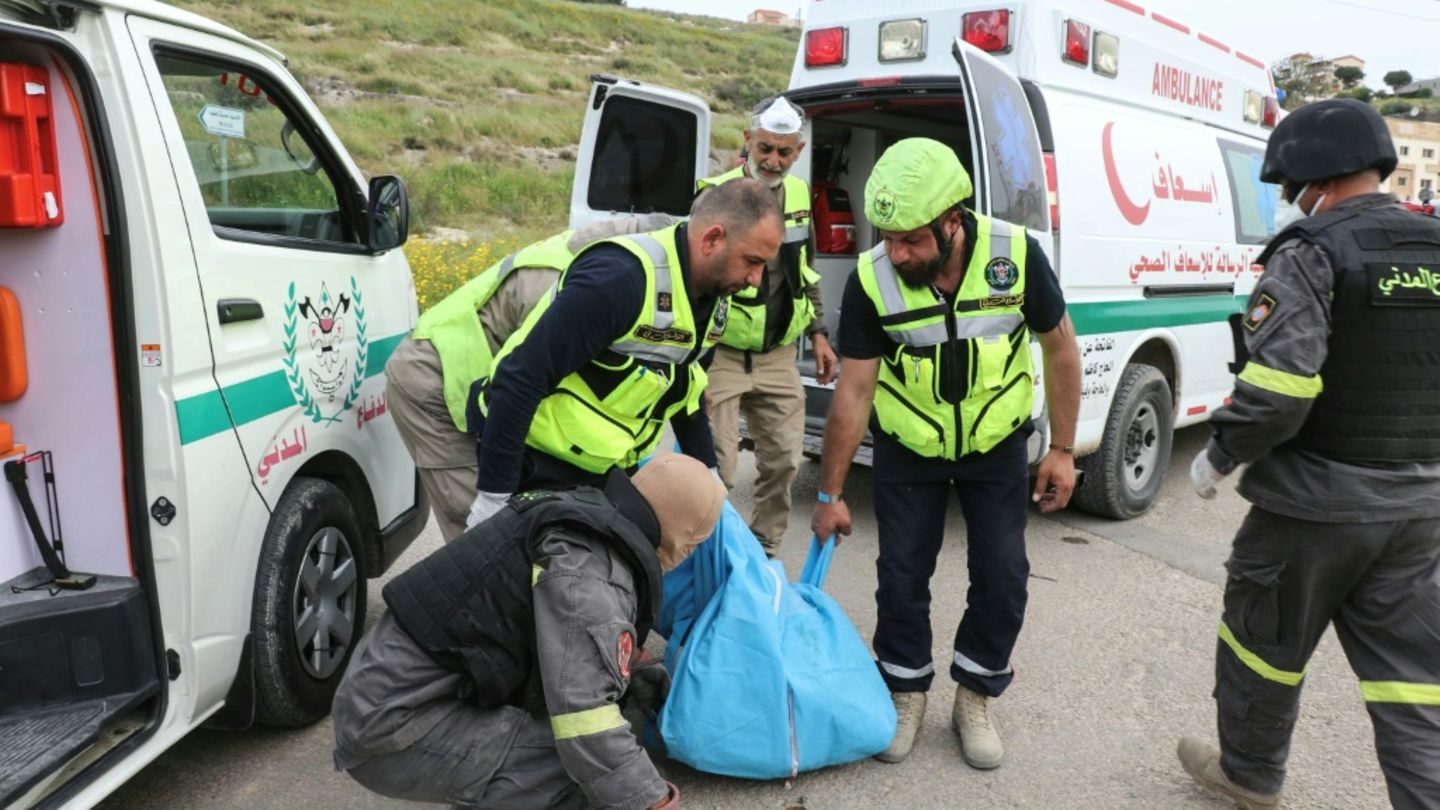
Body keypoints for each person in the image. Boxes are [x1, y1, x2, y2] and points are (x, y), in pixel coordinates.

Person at [1179, 98, 1440, 810]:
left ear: (1310, 179)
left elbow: (1280, 393)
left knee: (1261, 648)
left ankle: (1249, 776)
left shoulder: (1311, 252)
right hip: (1421, 511)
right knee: (1415, 685)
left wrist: (1220, 455)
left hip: (1313, 508)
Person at [810, 138, 1080, 769]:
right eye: (889, 237)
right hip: (911, 449)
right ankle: (905, 691)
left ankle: (976, 695)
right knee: (901, 576)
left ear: (952, 220)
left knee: (1004, 575)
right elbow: (854, 391)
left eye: (910, 240)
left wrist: (1062, 448)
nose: (895, 252)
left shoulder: (1016, 257)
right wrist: (829, 495)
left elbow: (1060, 347)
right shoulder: (875, 281)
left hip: (996, 448)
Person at [332, 453, 727, 809]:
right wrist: (653, 801)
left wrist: (632, 669)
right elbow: (586, 725)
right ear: (684, 541)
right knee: (579, 769)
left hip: (386, 692)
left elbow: (548, 624)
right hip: (390, 724)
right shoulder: (592, 568)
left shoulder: (578, 514)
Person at [465, 179, 783, 530]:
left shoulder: (715, 298)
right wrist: (494, 497)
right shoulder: (619, 280)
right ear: (712, 239)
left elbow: (687, 392)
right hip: (529, 459)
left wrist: (711, 479)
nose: (756, 279)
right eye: (752, 261)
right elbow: (522, 379)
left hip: (597, 468)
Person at [386, 216, 675, 540]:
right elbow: (527, 386)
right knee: (487, 533)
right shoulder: (585, 284)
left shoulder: (604, 261)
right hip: (434, 382)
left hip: (476, 380)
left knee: (518, 519)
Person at [696, 96, 837, 557]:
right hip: (722, 352)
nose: (773, 161)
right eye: (765, 149)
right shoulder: (713, 195)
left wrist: (818, 332)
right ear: (747, 141)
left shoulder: (798, 196)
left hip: (778, 354)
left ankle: (763, 552)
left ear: (798, 151)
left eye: (783, 152)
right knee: (716, 467)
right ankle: (708, 553)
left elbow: (806, 270)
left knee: (784, 461)